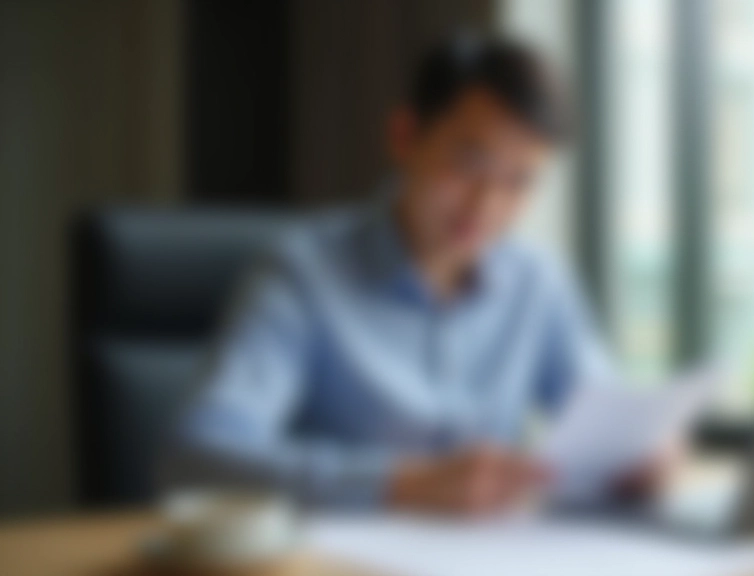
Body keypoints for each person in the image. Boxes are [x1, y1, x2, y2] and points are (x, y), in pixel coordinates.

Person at [164, 33, 675, 515]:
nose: (486, 204)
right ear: (405, 135)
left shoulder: (539, 282)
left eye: (518, 183)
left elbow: (608, 419)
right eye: (469, 161)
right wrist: (399, 484)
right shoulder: (301, 272)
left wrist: (638, 457)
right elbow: (199, 458)